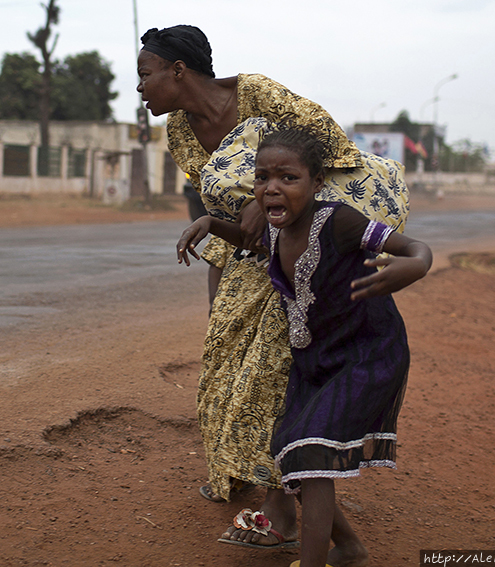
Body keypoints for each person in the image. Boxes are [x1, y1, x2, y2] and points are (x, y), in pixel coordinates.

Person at [138, 24, 409, 549]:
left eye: (145, 75)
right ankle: (251, 477)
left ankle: (281, 510)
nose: (140, 88)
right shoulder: (178, 132)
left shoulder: (256, 92)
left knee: (274, 374)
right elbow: (219, 208)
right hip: (249, 249)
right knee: (223, 366)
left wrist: (267, 198)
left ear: (178, 70)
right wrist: (219, 295)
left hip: (304, 246)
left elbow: (332, 145)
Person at [177, 127, 432, 567]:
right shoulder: (276, 229)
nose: (271, 188)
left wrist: (413, 266)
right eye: (262, 177)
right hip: (314, 358)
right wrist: (209, 223)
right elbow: (245, 238)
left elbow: (414, 247)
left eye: (287, 178)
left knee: (311, 452)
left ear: (316, 183)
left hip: (363, 353)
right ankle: (349, 549)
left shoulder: (338, 221)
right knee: (291, 452)